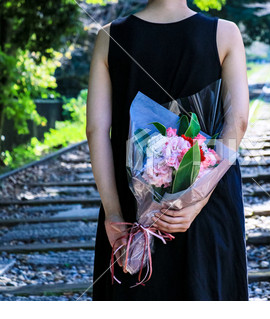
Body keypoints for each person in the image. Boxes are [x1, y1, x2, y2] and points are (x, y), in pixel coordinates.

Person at [86, 0, 249, 300]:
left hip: (130, 207)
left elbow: (96, 131)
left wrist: (113, 214)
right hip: (207, 205)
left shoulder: (109, 37)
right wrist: (194, 203)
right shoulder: (225, 33)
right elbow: (236, 123)